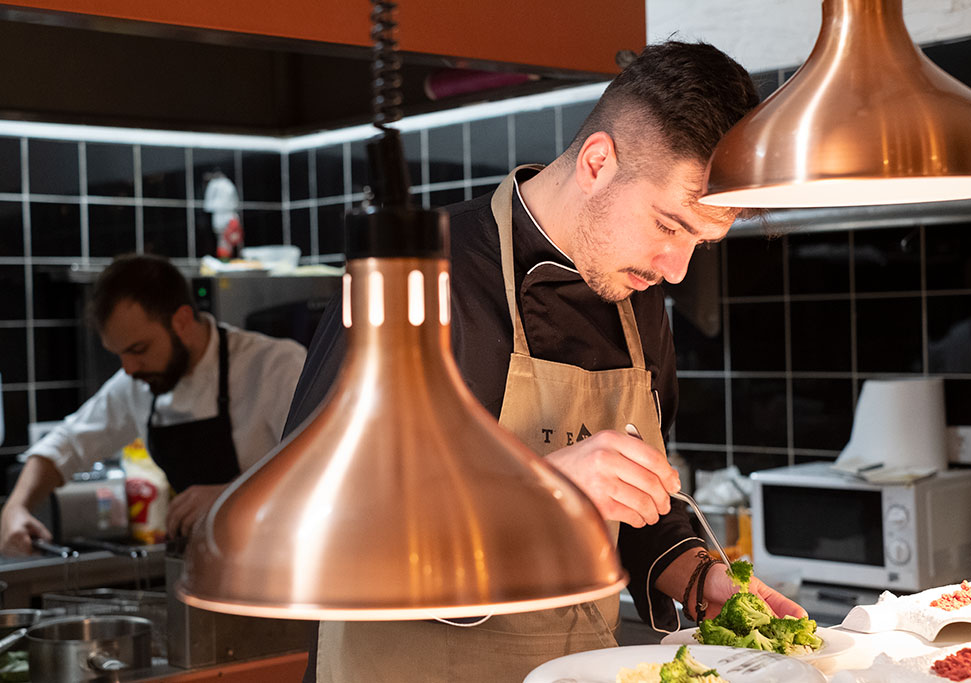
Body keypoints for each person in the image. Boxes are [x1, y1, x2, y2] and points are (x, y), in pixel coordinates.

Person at [284, 41, 806, 682]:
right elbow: (308, 515)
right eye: (670, 226)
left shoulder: (635, 296)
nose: (676, 269)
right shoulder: (420, 276)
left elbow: (636, 506)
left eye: (700, 241)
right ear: (597, 162)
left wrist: (700, 580)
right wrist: (542, 491)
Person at [0, 254, 308, 555]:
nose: (130, 368)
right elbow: (67, 444)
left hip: (286, 565)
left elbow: (325, 470)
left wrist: (232, 497)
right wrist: (16, 507)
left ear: (182, 321)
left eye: (139, 349)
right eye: (119, 354)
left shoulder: (276, 367)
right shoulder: (139, 382)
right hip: (206, 569)